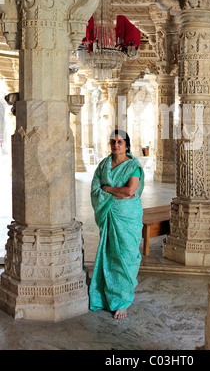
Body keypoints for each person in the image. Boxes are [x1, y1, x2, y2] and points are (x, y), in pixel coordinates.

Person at [89, 129, 144, 319]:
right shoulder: (104, 165)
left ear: (127, 145)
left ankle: (123, 301)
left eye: (120, 142)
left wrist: (108, 189)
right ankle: (107, 295)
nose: (116, 145)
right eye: (113, 141)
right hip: (109, 215)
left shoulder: (133, 166)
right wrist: (115, 192)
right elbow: (95, 189)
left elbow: (129, 192)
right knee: (110, 254)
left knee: (126, 257)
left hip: (127, 217)